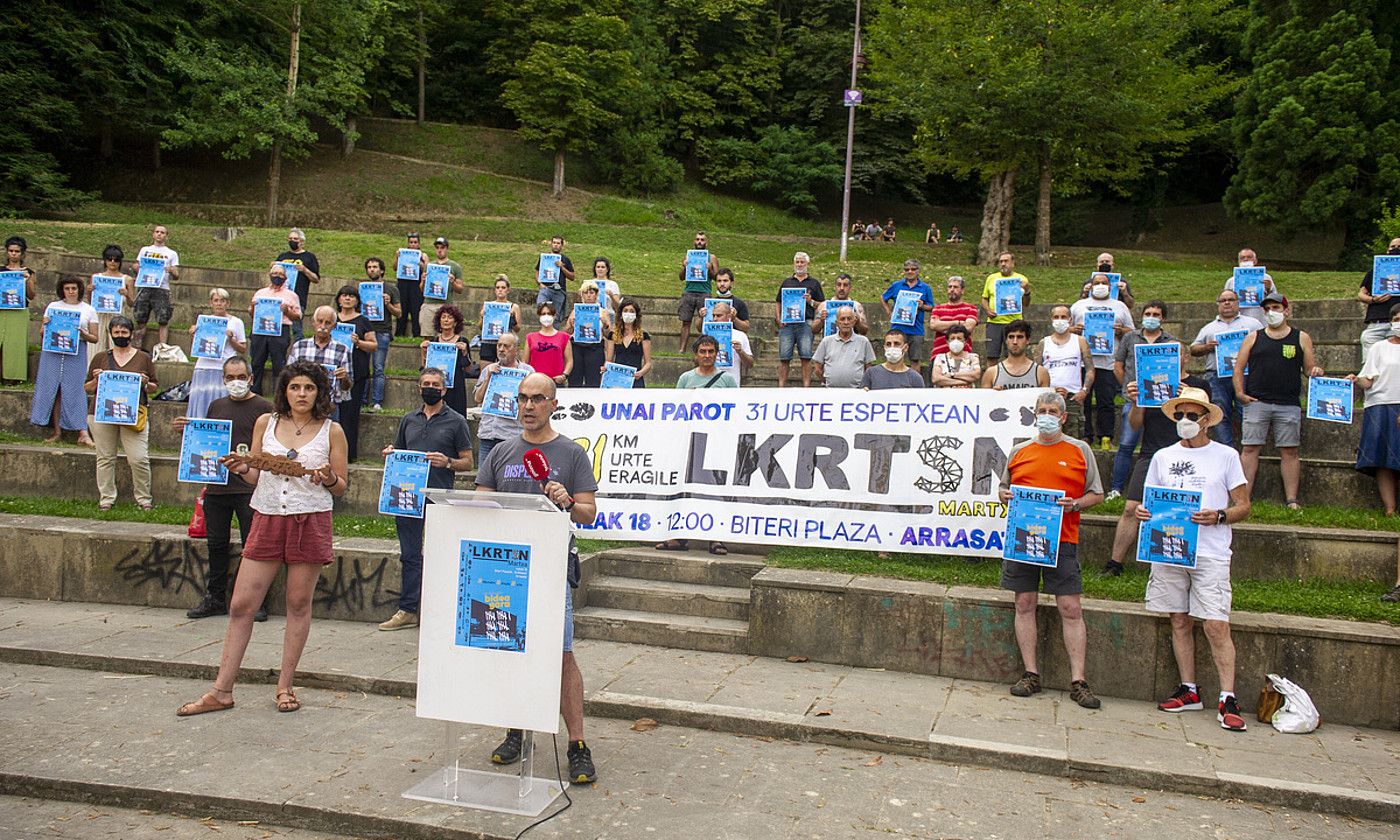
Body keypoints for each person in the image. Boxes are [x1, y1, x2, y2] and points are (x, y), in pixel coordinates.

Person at [176, 361, 349, 717]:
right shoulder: (265, 422)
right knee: (241, 603)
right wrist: (243, 468)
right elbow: (255, 474)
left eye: (309, 388)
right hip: (267, 515)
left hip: (309, 517)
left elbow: (341, 487)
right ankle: (222, 689)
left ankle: (285, 686)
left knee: (298, 603)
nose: (301, 394)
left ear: (319, 392)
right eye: (295, 387)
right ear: (284, 390)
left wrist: (328, 477)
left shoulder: (332, 431)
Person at [477, 372, 599, 783]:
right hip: (504, 570)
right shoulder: (499, 452)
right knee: (511, 652)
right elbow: (479, 504)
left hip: (551, 569)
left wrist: (568, 500)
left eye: (537, 399)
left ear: (553, 404)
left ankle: (577, 744)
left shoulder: (571, 454)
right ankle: (517, 729)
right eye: (523, 399)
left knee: (562, 656)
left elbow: (588, 513)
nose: (528, 406)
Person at [1136, 387, 1252, 731]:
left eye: (1191, 415)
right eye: (1179, 415)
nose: (1184, 421)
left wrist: (1218, 516)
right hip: (1170, 547)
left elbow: (1243, 506)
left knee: (1216, 623)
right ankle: (1189, 689)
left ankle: (1227, 695)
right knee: (1179, 619)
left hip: (1211, 550)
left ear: (1206, 420)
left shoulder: (1227, 456)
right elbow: (1151, 502)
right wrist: (1145, 512)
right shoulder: (1162, 457)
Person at [998, 391, 1105, 709]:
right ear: (1034, 414)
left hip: (1063, 539)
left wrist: (1074, 504)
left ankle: (1079, 680)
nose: (1046, 414)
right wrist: (1005, 495)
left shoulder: (1080, 450)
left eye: (1052, 410)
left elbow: (1096, 493)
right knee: (1024, 603)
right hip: (1023, 538)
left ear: (1062, 416)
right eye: (1041, 410)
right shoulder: (1020, 451)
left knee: (1071, 608)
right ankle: (1030, 674)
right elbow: (1004, 487)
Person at [177, 356, 274, 621]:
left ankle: (258, 601)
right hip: (217, 487)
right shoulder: (216, 406)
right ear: (223, 380)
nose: (236, 382)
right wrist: (188, 432)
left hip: (248, 489)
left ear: (251, 378)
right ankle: (215, 598)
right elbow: (206, 440)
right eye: (230, 378)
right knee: (216, 545)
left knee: (252, 548)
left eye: (240, 377)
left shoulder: (265, 408)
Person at [378, 368, 474, 632]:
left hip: (438, 496)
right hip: (407, 495)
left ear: (444, 390)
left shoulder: (456, 421)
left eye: (436, 384)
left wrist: (449, 462)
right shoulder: (409, 420)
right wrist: (390, 453)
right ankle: (408, 609)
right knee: (409, 555)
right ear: (419, 388)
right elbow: (399, 450)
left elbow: (468, 462)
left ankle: (439, 610)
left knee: (440, 555)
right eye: (426, 384)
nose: (431, 388)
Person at [1100, 375, 1202, 577]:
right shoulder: (1149, 384)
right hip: (1151, 453)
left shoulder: (1198, 384)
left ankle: (1182, 561)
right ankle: (1114, 563)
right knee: (1131, 508)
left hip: (1189, 453)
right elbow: (1135, 424)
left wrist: (1188, 396)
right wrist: (1137, 401)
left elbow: (1207, 422)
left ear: (1185, 357)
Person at [1233, 292, 1322, 509]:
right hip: (1257, 402)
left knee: (1290, 450)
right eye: (1267, 309)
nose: (1271, 312)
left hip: (1288, 403)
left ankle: (1292, 499)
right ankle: (1243, 499)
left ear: (1286, 310)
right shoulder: (1254, 337)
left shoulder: (1301, 337)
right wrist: (1239, 392)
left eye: (1276, 308)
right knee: (1250, 449)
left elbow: (1309, 369)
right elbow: (1238, 367)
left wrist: (1316, 371)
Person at [659, 339, 733, 554]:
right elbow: (676, 408)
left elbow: (735, 410)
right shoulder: (686, 378)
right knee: (682, 489)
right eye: (703, 351)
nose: (707, 355)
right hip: (688, 442)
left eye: (711, 351)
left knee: (714, 491)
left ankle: (716, 538)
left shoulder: (727, 380)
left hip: (716, 442)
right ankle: (678, 537)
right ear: (695, 354)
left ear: (717, 354)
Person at [1108, 300, 1183, 499]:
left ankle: (1165, 488)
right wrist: (1129, 388)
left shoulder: (1171, 342)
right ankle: (1116, 488)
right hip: (1134, 401)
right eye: (1148, 313)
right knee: (1126, 444)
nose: (1151, 317)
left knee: (1164, 448)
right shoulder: (1129, 338)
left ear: (1163, 318)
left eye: (1156, 314)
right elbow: (1118, 365)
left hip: (1163, 404)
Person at [85, 316, 157, 510]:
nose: (120, 336)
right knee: (105, 457)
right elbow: (87, 388)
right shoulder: (100, 357)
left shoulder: (143, 358)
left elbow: (154, 387)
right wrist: (96, 380)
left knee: (139, 458)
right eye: (116, 332)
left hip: (133, 414)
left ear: (131, 334)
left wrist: (145, 383)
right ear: (110, 334)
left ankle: (144, 499)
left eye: (124, 332)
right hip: (102, 413)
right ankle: (106, 498)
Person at [1189, 290, 1262, 447]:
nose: (1227, 303)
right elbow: (1193, 349)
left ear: (1238, 302)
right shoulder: (1209, 328)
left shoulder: (1252, 324)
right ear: (1218, 305)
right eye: (1223, 301)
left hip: (1246, 374)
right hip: (1217, 376)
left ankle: (1249, 449)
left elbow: (1265, 344)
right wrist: (1207, 347)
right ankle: (1226, 450)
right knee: (1220, 414)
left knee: (1246, 412)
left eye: (1231, 299)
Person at [31, 275, 98, 445]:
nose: (70, 292)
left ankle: (83, 432)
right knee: (53, 389)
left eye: (73, 288)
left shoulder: (88, 309)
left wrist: (83, 334)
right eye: (67, 288)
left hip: (76, 352)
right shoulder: (53, 306)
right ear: (62, 290)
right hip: (53, 351)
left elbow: (95, 338)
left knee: (76, 389)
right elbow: (42, 333)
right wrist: (45, 324)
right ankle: (57, 431)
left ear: (79, 290)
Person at [1070, 273, 1135, 448]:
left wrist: (1121, 331)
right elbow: (1064, 330)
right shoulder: (1079, 306)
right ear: (1090, 286)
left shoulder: (1120, 306)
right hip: (1083, 361)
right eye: (1096, 282)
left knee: (1106, 401)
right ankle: (1086, 436)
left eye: (1104, 283)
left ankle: (1106, 436)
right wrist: (1074, 329)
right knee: (1084, 400)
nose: (1100, 285)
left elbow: (1133, 332)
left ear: (1110, 286)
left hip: (1109, 361)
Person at [1353, 302, 1400, 515]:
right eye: (1396, 319)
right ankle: (1390, 508)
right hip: (1380, 406)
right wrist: (1356, 379)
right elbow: (1368, 379)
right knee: (1383, 460)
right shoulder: (1378, 347)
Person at [186, 288, 249, 420]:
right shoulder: (203, 321)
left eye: (222, 301)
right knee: (201, 402)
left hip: (224, 367)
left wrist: (231, 339)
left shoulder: (236, 322)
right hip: (204, 366)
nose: (219, 304)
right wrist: (193, 334)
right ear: (211, 303)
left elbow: (243, 348)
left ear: (228, 304)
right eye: (216, 300)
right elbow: (198, 345)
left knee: (223, 402)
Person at [472, 333, 534, 465]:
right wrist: (488, 378)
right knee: (484, 481)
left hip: (512, 435)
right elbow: (478, 398)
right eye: (499, 345)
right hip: (488, 434)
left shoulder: (528, 372)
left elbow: (533, 401)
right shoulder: (489, 369)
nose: (501, 349)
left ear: (517, 350)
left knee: (509, 480)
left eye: (506, 346)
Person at [287, 306, 353, 419]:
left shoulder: (343, 350)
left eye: (328, 323)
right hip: (302, 404)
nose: (323, 327)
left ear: (334, 326)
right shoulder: (299, 346)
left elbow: (348, 386)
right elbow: (287, 376)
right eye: (320, 321)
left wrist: (344, 377)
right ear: (313, 322)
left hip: (329, 406)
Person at [335, 285, 377, 462]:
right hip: (333, 371)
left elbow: (373, 345)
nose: (347, 299)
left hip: (356, 372)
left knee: (350, 415)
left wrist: (358, 342)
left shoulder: (363, 320)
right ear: (338, 299)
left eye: (351, 296)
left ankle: (349, 454)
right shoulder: (331, 318)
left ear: (357, 301)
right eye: (344, 295)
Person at [1038, 305, 1093, 437]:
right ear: (1051, 319)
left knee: (1073, 438)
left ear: (1070, 319)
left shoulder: (1080, 341)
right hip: (1049, 397)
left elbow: (1090, 369)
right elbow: (1037, 371)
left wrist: (1084, 391)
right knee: (1047, 435)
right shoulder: (1043, 343)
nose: (1060, 320)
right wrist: (1046, 391)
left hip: (1073, 397)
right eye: (1056, 317)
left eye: (1063, 317)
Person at [248, 263, 302, 396]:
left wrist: (287, 311)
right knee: (256, 361)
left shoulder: (291, 295)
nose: (277, 276)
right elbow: (251, 313)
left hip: (280, 330)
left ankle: (278, 394)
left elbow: (298, 316)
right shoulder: (260, 293)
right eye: (275, 274)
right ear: (270, 275)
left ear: (285, 277)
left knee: (279, 363)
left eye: (280, 274)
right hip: (260, 330)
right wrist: (253, 307)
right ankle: (254, 391)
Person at [773, 252, 824, 387]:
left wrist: (811, 301)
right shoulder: (787, 282)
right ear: (794, 264)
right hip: (787, 323)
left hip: (806, 322)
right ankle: (781, 387)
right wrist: (778, 319)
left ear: (808, 264)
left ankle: (806, 387)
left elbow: (822, 305)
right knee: (784, 358)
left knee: (806, 357)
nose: (799, 265)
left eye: (802, 262)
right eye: (797, 262)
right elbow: (778, 302)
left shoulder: (814, 283)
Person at [880, 259, 936, 376]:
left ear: (918, 271)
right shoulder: (897, 285)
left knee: (915, 359)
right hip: (898, 328)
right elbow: (883, 297)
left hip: (916, 329)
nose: (910, 272)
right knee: (894, 356)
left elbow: (931, 307)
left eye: (913, 269)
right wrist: (889, 312)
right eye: (907, 269)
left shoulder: (925, 288)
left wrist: (922, 306)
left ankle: (915, 386)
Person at [362, 257, 402, 412]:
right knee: (363, 368)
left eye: (375, 267)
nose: (372, 269)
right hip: (364, 331)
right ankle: (362, 400)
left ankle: (377, 401)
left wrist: (388, 304)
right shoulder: (363, 288)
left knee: (378, 367)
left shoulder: (391, 289)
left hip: (382, 331)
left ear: (382, 270)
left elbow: (399, 313)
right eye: (369, 267)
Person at [420, 304, 472, 416]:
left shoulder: (462, 341)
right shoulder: (433, 342)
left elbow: (468, 369)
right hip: (436, 387)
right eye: (443, 317)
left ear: (455, 322)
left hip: (456, 387)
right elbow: (425, 369)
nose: (446, 320)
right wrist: (423, 352)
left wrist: (464, 352)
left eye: (450, 317)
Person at [132, 224, 179, 349]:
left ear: (166, 236)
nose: (159, 234)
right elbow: (136, 267)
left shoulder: (171, 253)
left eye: (162, 232)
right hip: (144, 286)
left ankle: (163, 348)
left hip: (162, 288)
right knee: (140, 319)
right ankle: (137, 348)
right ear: (153, 234)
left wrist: (170, 270)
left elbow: (176, 275)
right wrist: (136, 267)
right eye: (157, 231)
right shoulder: (144, 250)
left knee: (163, 320)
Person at [980, 251, 1030, 361]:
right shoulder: (991, 278)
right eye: (1001, 261)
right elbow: (984, 298)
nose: (1003, 264)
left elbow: (1026, 304)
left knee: (1014, 356)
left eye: (1006, 261)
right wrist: (987, 310)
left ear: (1013, 263)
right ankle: (992, 378)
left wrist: (1027, 291)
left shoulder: (1022, 279)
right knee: (991, 357)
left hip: (1014, 323)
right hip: (994, 323)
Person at [86, 244, 134, 355]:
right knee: (95, 348)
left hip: (118, 316)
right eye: (109, 259)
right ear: (105, 260)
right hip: (99, 315)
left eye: (116, 260)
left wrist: (126, 295)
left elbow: (131, 303)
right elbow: (91, 302)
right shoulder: (96, 277)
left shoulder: (127, 279)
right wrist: (89, 291)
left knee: (117, 347)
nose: (113, 262)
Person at [1357, 237, 1400, 363]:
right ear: (1387, 250)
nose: (1395, 249)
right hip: (1377, 322)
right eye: (1392, 247)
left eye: (1399, 247)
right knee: (1370, 359)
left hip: (1398, 323)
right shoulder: (1375, 271)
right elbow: (1361, 294)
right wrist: (1374, 299)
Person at [1, 236, 37, 385]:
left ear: (22, 254)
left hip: (19, 309)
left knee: (15, 343)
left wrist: (27, 279)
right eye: (11, 251)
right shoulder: (1, 271)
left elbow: (32, 295)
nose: (13, 254)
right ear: (7, 252)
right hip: (2, 308)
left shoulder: (28, 272)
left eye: (17, 251)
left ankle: (12, 377)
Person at [275, 228, 321, 341]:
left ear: (302, 241)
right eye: (290, 239)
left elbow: (316, 279)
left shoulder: (309, 257)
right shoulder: (282, 257)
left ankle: (299, 352)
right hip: (280, 297)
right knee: (278, 326)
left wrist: (304, 270)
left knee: (297, 328)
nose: (292, 241)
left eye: (295, 239)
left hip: (298, 298)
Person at [564, 280, 612, 388]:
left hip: (595, 347)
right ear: (582, 295)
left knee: (594, 380)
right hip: (577, 347)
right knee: (575, 380)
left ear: (596, 295)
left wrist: (605, 325)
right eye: (586, 293)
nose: (589, 296)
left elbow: (609, 335)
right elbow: (567, 332)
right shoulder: (575, 310)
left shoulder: (603, 312)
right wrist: (571, 325)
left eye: (591, 293)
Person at [676, 231, 718, 352]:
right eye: (697, 239)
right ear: (694, 241)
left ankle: (705, 350)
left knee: (705, 322)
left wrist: (710, 269)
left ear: (706, 242)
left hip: (705, 292)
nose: (699, 242)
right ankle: (682, 349)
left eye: (702, 240)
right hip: (689, 291)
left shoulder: (712, 257)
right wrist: (685, 266)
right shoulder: (688, 256)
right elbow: (681, 277)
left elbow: (717, 277)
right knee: (685, 322)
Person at [812, 308, 875, 388]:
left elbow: (868, 368)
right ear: (837, 323)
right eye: (842, 319)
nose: (846, 322)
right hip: (831, 391)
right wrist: (827, 381)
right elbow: (817, 368)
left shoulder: (863, 341)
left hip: (857, 392)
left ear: (854, 322)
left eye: (849, 319)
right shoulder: (826, 341)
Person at [980, 320, 1050, 390]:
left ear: (1028, 340)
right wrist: (994, 394)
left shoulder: (1041, 373)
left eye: (1020, 337)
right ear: (1006, 340)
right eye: (1011, 337)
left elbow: (1045, 400)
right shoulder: (991, 373)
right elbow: (984, 399)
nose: (1015, 342)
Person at [928, 275, 979, 361]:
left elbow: (968, 328)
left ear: (962, 290)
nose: (952, 289)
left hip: (963, 357)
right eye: (950, 287)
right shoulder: (938, 308)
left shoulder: (971, 308)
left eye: (955, 287)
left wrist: (943, 327)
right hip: (939, 355)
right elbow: (933, 325)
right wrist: (959, 323)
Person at [420, 236, 465, 331]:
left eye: (442, 247)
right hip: (429, 304)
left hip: (446, 305)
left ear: (447, 249)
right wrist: (423, 281)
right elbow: (422, 289)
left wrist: (453, 282)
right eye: (437, 248)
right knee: (427, 335)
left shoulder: (455, 266)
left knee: (445, 334)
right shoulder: (429, 266)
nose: (439, 250)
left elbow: (460, 289)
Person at [1223, 247, 1278, 324]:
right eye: (1242, 258)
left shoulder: (1266, 278)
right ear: (1239, 262)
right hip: (1239, 320)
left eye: (1249, 257)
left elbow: (1276, 300)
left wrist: (1268, 290)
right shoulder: (1231, 281)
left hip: (1261, 319)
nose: (1246, 259)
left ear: (1255, 261)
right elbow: (1224, 301)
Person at [606, 298, 652, 388]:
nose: (628, 313)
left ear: (636, 315)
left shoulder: (644, 336)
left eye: (632, 311)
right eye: (625, 310)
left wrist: (640, 373)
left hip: (636, 379)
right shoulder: (613, 335)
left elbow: (648, 363)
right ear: (621, 314)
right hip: (617, 379)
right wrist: (605, 368)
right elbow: (609, 360)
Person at [523, 302, 570, 386]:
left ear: (554, 316)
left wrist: (564, 375)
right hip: (535, 381)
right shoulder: (530, 337)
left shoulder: (564, 337)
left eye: (549, 313)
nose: (546, 316)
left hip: (556, 381)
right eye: (543, 314)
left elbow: (569, 361)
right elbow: (525, 362)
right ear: (539, 316)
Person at [478, 274, 522, 364]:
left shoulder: (514, 307)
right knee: (486, 371)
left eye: (503, 287)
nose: (500, 290)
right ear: (495, 290)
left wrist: (512, 319)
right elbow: (480, 327)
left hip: (505, 343)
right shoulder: (488, 305)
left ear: (508, 290)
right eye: (497, 287)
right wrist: (483, 317)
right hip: (488, 342)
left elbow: (518, 329)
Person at [708, 301, 753, 386]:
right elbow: (696, 361)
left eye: (719, 315)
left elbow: (750, 364)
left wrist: (741, 352)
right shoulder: (706, 335)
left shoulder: (740, 335)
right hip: (710, 383)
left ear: (728, 316)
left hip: (732, 383)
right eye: (713, 315)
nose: (715, 319)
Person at [395, 232, 430, 338]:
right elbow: (395, 268)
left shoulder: (423, 255)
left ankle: (417, 333)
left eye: (415, 242)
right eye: (411, 242)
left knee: (416, 309)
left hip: (416, 284)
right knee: (402, 308)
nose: (413, 244)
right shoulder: (402, 253)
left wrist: (422, 265)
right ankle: (399, 332)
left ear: (419, 244)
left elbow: (428, 270)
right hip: (403, 283)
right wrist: (397, 258)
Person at [534, 234, 575, 323]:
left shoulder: (565, 259)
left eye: (558, 243)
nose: (556, 245)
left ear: (562, 245)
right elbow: (537, 272)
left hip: (559, 290)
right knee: (541, 307)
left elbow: (572, 277)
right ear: (551, 244)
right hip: (546, 288)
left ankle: (554, 335)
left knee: (555, 316)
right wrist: (539, 283)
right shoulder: (544, 257)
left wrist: (562, 267)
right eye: (554, 243)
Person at [815, 272, 867, 338]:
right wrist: (821, 320)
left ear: (850, 288)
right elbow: (813, 330)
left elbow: (864, 331)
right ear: (835, 287)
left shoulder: (857, 306)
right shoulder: (824, 305)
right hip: (830, 346)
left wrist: (858, 322)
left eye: (845, 285)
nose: (842, 288)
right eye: (839, 285)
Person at [930, 323, 981, 388]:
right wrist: (963, 382)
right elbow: (936, 379)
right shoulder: (940, 358)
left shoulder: (973, 357)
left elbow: (976, 375)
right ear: (947, 341)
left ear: (965, 341)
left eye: (959, 338)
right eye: (952, 338)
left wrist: (951, 375)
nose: (956, 341)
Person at [712, 267, 751, 332]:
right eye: (719, 281)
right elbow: (699, 328)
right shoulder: (709, 303)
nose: (722, 284)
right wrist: (701, 317)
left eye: (725, 281)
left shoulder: (739, 303)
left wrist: (734, 318)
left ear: (731, 282)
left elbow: (746, 328)